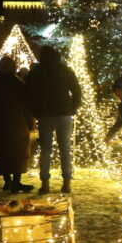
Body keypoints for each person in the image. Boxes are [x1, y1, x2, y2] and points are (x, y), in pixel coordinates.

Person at [25, 45, 81, 194]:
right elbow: (77, 90)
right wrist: (73, 108)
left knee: (45, 150)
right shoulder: (65, 70)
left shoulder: (36, 72)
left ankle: (45, 184)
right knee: (65, 149)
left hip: (45, 115)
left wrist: (35, 111)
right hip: (64, 113)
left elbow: (29, 93)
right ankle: (67, 182)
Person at [0, 57, 35, 193]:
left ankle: (8, 182)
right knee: (18, 153)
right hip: (18, 124)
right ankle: (16, 182)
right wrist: (31, 123)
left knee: (3, 153)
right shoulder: (19, 85)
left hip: (0, 125)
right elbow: (27, 106)